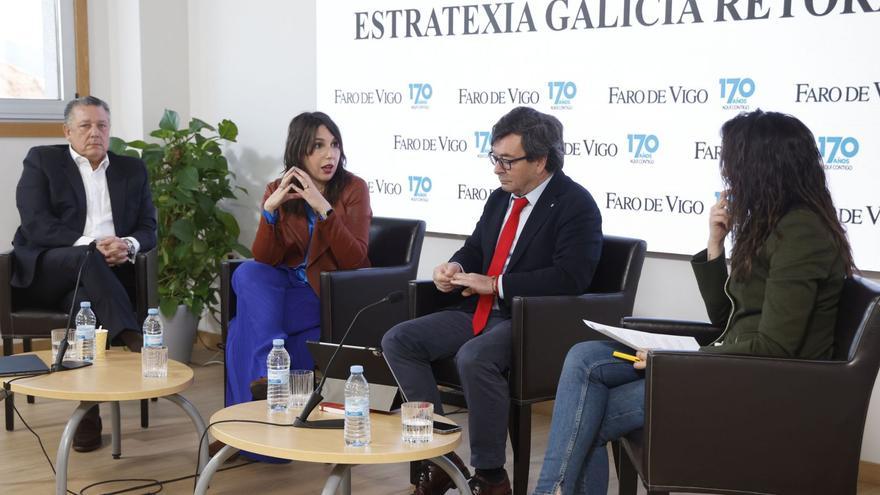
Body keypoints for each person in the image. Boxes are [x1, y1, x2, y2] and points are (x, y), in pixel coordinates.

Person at [533, 109, 855, 495]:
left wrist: (675, 361)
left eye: (733, 161)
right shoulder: (773, 222)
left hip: (765, 384)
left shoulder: (801, 231)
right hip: (734, 365)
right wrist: (716, 244)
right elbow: (727, 317)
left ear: (763, 166)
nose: (728, 173)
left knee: (590, 415)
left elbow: (777, 347)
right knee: (585, 355)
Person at [382, 106, 603, 494]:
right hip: (480, 311)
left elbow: (570, 278)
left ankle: (490, 474)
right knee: (399, 340)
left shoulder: (575, 205)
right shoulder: (500, 199)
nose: (497, 169)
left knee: (475, 357)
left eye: (506, 160)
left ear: (540, 160)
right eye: (494, 158)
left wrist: (498, 285)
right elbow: (476, 247)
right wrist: (454, 266)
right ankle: (442, 456)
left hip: (533, 323)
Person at [11, 95, 158, 452]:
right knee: (86, 258)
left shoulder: (130, 169)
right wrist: (91, 246)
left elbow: (148, 228)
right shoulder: (43, 161)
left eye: (102, 125)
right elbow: (36, 224)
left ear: (110, 131)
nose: (95, 132)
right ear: (67, 131)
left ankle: (88, 412)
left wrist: (126, 244)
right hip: (50, 267)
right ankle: (133, 337)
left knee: (83, 305)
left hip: (107, 274)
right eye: (85, 125)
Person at [221, 112, 371, 459]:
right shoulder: (279, 188)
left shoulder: (352, 188)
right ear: (299, 151)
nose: (328, 154)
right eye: (318, 146)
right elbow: (265, 258)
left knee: (237, 328)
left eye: (334, 145)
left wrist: (325, 211)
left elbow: (356, 260)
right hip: (284, 289)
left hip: (326, 293)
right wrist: (269, 213)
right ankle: (262, 402)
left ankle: (247, 430)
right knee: (247, 274)